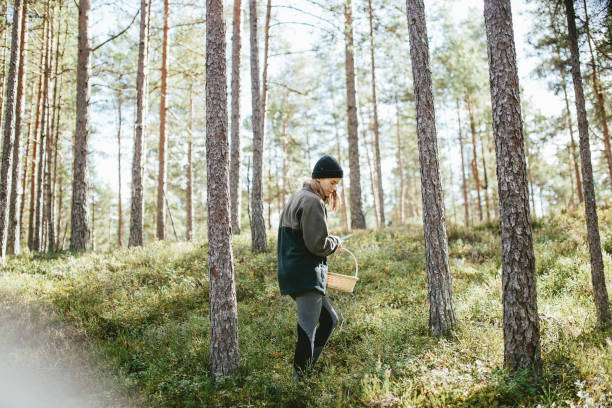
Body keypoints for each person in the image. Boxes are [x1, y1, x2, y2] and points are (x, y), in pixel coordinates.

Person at [277, 155, 344, 382]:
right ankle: (300, 385)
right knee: (307, 331)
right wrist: (335, 242)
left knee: (329, 320)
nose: (334, 188)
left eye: (337, 183)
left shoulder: (299, 196)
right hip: (305, 274)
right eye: (332, 182)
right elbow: (317, 244)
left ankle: (307, 372)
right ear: (319, 178)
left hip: (295, 272)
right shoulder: (312, 201)